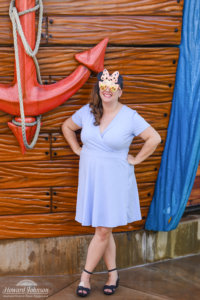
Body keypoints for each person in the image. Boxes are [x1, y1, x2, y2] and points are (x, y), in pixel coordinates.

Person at [61, 69, 161, 297]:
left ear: (120, 91)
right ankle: (113, 273)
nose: (107, 91)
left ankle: (85, 276)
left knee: (104, 229)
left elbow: (154, 138)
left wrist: (136, 159)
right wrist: (76, 148)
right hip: (92, 177)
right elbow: (67, 126)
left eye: (112, 87)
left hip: (115, 178)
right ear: (99, 89)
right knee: (103, 228)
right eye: (103, 86)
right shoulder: (87, 112)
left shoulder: (130, 116)